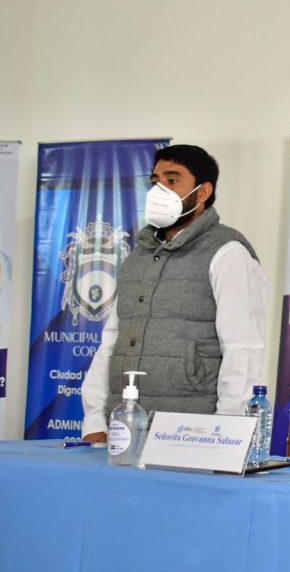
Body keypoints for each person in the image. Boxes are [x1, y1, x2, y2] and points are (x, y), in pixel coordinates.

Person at [81, 144, 268, 441]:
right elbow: (112, 339)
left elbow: (242, 349)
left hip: (192, 434)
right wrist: (94, 420)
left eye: (172, 180)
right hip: (123, 428)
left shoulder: (228, 252)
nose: (159, 190)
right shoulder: (138, 255)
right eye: (155, 181)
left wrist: (227, 433)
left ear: (202, 192)